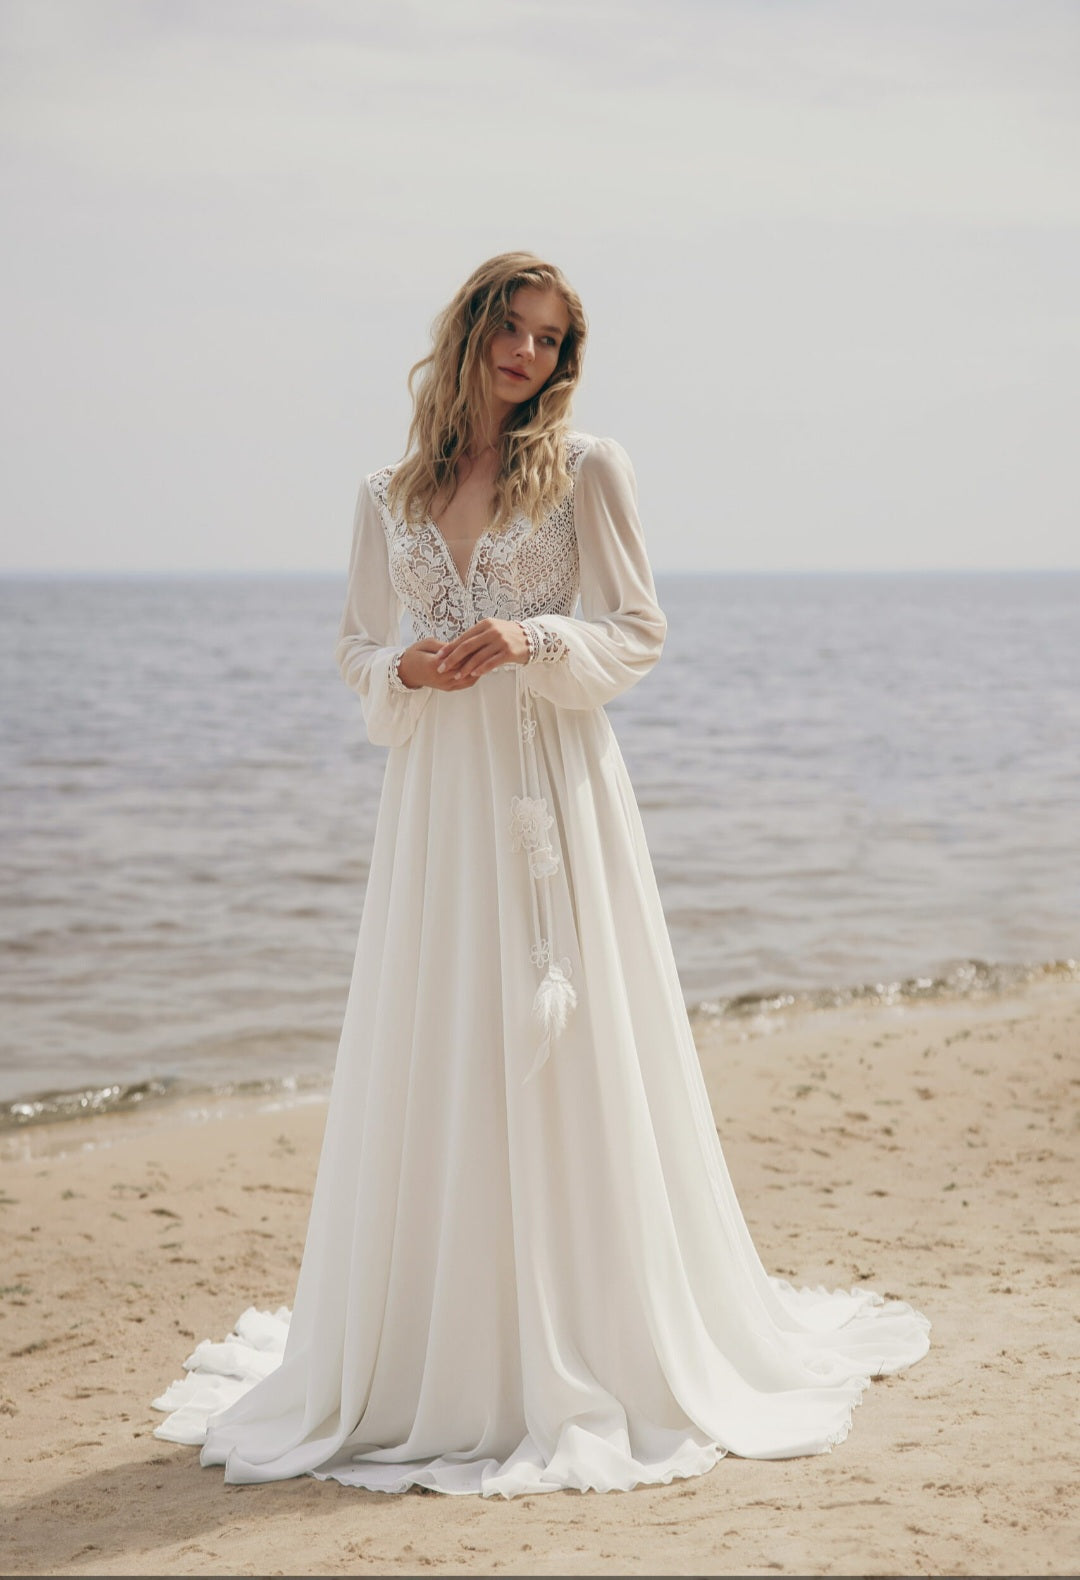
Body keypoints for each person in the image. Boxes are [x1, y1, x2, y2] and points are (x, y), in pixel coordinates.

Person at [151, 251, 931, 1498]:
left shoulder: (585, 469)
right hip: (434, 811)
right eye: (509, 329)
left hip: (553, 792)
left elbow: (639, 629)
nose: (526, 354)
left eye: (550, 340)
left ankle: (589, 1331)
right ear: (466, 332)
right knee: (445, 1034)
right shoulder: (386, 493)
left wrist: (535, 634)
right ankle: (444, 1347)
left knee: (566, 1035)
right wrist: (408, 671)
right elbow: (357, 645)